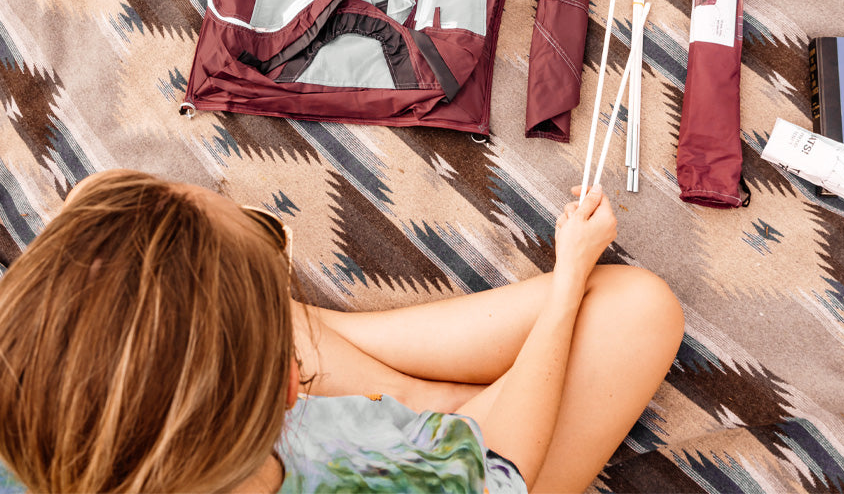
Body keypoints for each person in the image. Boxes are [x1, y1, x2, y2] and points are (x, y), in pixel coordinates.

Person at [0, 169, 684, 493]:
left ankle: (428, 399)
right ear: (290, 385)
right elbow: (499, 470)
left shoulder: (33, 407)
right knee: (639, 310)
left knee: (173, 282)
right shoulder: (377, 486)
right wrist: (567, 281)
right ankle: (440, 405)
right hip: (462, 472)